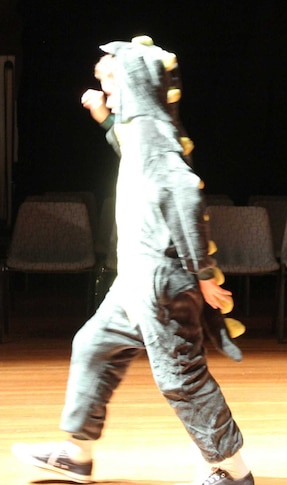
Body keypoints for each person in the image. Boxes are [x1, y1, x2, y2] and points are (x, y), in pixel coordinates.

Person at [12, 36, 254, 485]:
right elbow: (130, 149)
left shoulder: (153, 133)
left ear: (135, 85)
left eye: (111, 83)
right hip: (136, 280)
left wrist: (201, 274)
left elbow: (181, 189)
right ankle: (76, 454)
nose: (107, 91)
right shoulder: (143, 127)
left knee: (180, 378)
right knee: (93, 346)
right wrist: (103, 114)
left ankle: (232, 470)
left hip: (163, 280)